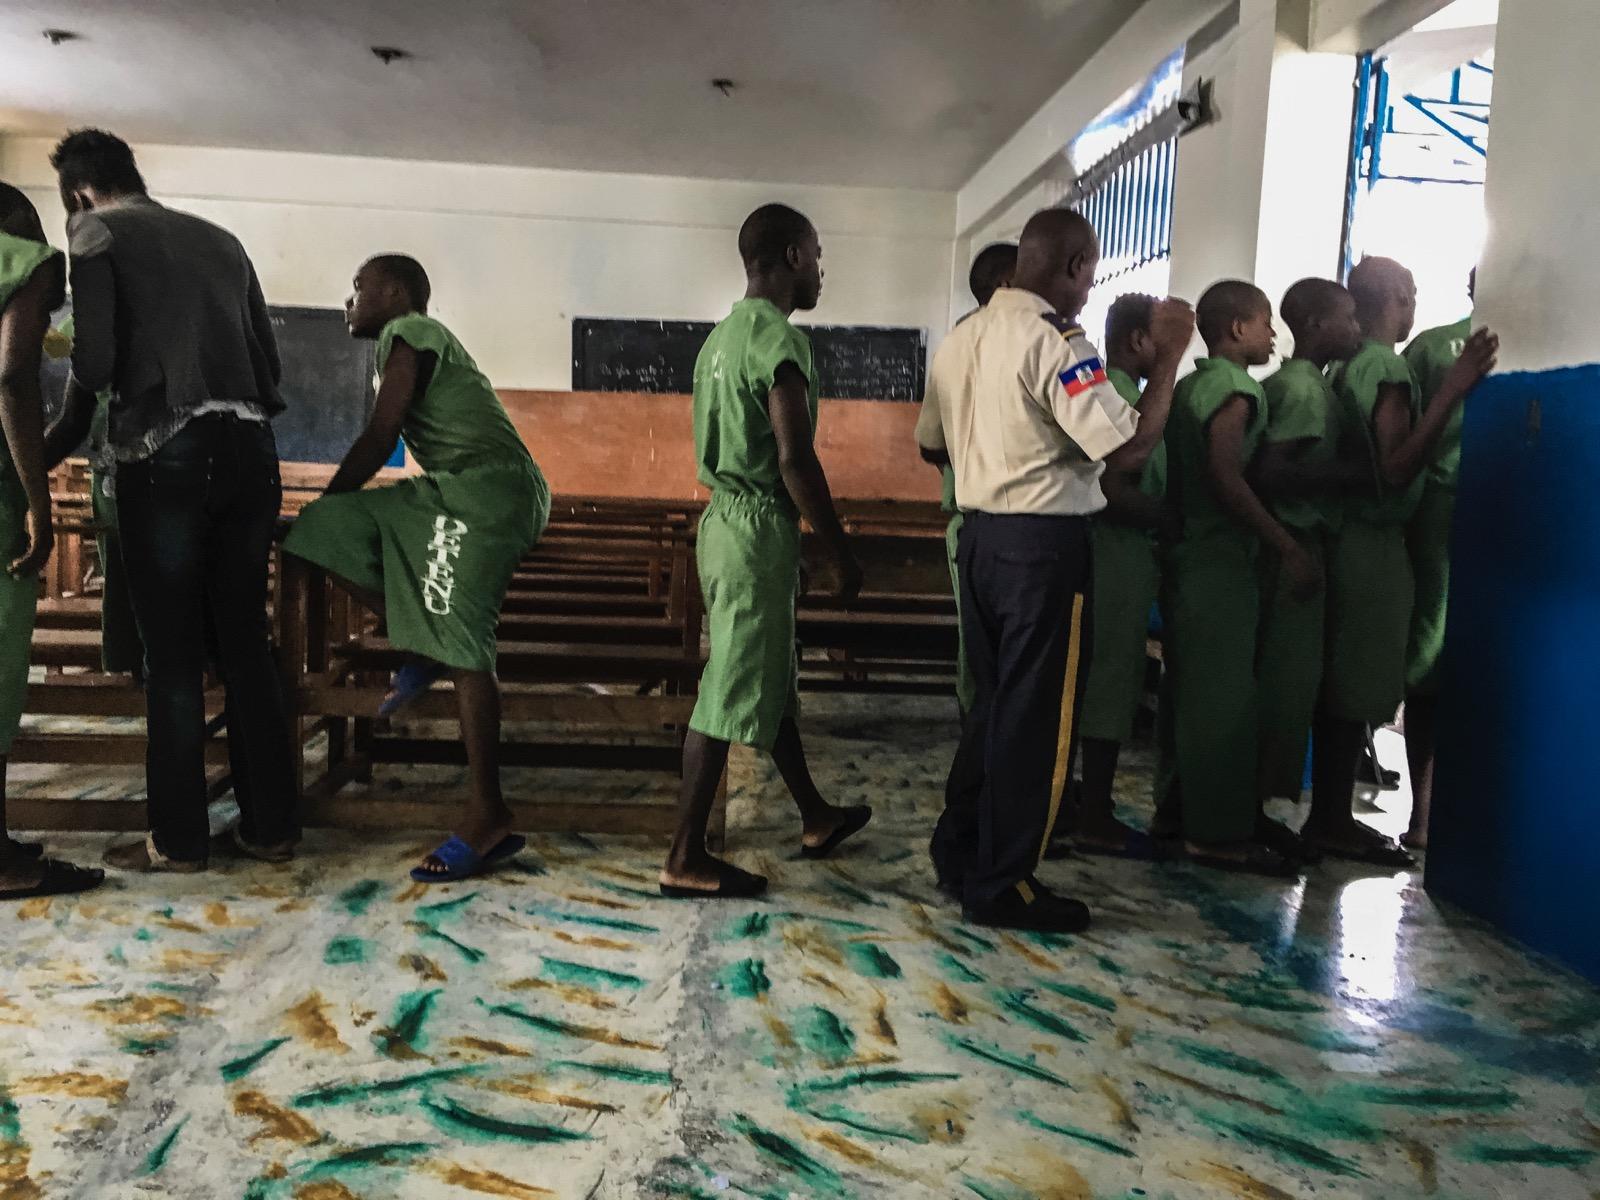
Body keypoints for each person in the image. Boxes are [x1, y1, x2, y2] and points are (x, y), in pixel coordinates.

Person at [922, 207, 1191, 932]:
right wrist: (1167, 359)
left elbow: (930, 442)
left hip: (979, 540)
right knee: (1037, 718)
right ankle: (1006, 879)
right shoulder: (1053, 340)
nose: (1089, 287)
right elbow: (1126, 447)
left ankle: (961, 850)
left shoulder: (961, 338)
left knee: (994, 705)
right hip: (1041, 547)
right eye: (1090, 271)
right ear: (1074, 266)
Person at [53, 129, 298, 872]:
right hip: (251, 450)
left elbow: (93, 363)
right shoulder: (221, 240)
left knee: (173, 658)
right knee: (246, 647)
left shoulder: (93, 231)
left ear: (77, 193)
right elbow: (269, 363)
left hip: (163, 452)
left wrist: (51, 435)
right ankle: (271, 830)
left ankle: (180, 840)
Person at [284, 255, 549, 883]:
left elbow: (382, 435)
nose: (349, 302)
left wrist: (332, 495)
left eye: (358, 289)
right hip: (453, 490)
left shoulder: (412, 332)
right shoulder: (405, 343)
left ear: (396, 293)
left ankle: (489, 814)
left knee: (464, 645)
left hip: (488, 494)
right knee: (314, 533)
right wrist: (330, 508)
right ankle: (423, 638)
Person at [658, 203, 870, 900]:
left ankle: (815, 816)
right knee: (726, 689)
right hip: (754, 526)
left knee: (770, 677)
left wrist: (788, 544)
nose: (820, 270)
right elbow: (793, 457)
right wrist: (837, 549)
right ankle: (685, 855)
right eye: (817, 253)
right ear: (790, 258)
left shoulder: (719, 339)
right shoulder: (778, 338)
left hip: (728, 522)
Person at [1306, 256, 1496, 865]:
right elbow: (1395, 465)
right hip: (1382, 534)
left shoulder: (1352, 366)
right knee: (1368, 678)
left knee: (1357, 678)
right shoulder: (1394, 363)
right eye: (1409, 295)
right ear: (1396, 298)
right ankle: (1335, 818)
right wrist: (1453, 391)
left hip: (1359, 533)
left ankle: (1337, 815)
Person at [1159, 280, 1313, 877]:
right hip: (1219, 560)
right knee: (1224, 703)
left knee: (1191, 695)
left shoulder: (1193, 384)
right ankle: (1217, 836)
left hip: (1188, 557)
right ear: (1237, 329)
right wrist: (1287, 543)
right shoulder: (1235, 388)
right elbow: (1226, 474)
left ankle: (1178, 813)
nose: (1274, 335)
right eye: (1266, 323)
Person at [1068, 293, 1179, 857]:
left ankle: (1084, 802)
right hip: (1113, 553)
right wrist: (1179, 520)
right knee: (1110, 679)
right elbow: (1112, 489)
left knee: (1104, 676)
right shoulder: (1117, 396)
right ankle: (1092, 812)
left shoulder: (1128, 392)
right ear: (1139, 341)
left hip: (1124, 555)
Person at [1253, 279, 1365, 825]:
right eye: (1349, 318)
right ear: (1318, 324)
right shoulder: (1301, 388)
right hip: (1291, 542)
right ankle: (1258, 808)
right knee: (1285, 683)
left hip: (1293, 541)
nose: (1358, 329)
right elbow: (1273, 472)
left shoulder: (1310, 383)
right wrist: (1355, 473)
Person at [919, 242, 1016, 716]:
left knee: (978, 649)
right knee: (999, 656)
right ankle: (991, 763)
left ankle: (980, 761)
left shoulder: (955, 343)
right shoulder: (1029, 340)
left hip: (972, 521)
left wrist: (966, 457)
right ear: (1005, 286)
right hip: (1010, 524)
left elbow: (929, 445)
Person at [1400, 269, 1475, 849]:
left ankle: (1424, 818)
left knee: (1430, 655)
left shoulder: (1430, 346)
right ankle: (1433, 817)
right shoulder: (1539, 343)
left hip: (1437, 512)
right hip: (1501, 514)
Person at [42, 317, 146, 677]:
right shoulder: (91, 320)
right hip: (121, 472)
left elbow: (72, 420)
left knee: (132, 577)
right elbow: (73, 419)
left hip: (142, 469)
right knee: (125, 578)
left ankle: (137, 673)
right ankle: (134, 671)